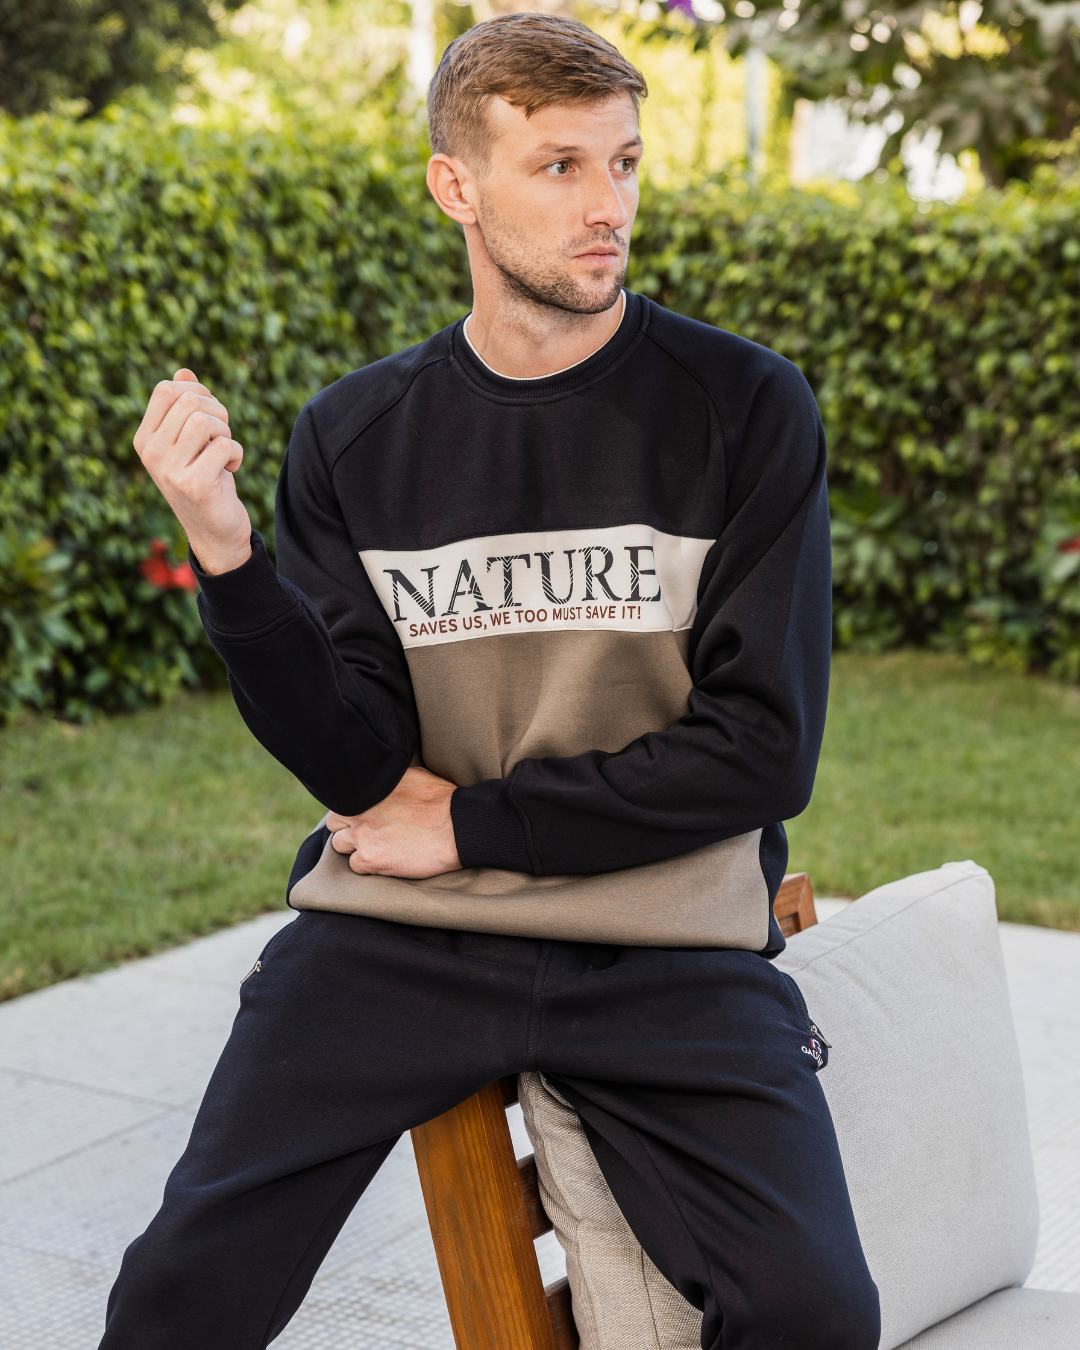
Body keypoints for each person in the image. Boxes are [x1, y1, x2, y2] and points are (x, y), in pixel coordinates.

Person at [100, 14, 879, 1349]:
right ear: (454, 186)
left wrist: (464, 822)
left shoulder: (745, 407)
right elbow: (356, 761)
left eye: (623, 163)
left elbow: (761, 751)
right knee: (176, 1296)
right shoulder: (354, 436)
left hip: (663, 935)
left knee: (814, 1310)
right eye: (560, 166)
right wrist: (227, 555)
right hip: (407, 935)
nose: (607, 207)